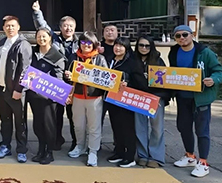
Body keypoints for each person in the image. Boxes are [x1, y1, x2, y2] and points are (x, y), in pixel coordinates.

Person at [169, 25, 222, 178]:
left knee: (202, 130)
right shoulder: (174, 52)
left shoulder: (204, 52)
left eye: (185, 35)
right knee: (183, 126)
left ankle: (203, 162)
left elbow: (218, 71)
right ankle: (190, 156)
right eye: (178, 36)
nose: (182, 38)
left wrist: (213, 80)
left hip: (201, 98)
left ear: (192, 35)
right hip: (182, 97)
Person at [32, 0, 78, 151]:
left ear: (74, 28)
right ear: (60, 27)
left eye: (71, 26)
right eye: (65, 26)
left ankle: (76, 142)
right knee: (56, 114)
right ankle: (56, 139)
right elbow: (42, 26)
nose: (68, 28)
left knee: (73, 115)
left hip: (74, 84)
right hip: (56, 82)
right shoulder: (55, 39)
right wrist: (37, 12)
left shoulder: (80, 42)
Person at [65, 31, 108, 167]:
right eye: (83, 42)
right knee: (78, 125)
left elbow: (107, 78)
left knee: (94, 126)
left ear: (94, 44)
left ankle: (93, 151)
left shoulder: (100, 59)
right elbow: (67, 74)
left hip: (94, 97)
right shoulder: (73, 57)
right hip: (77, 96)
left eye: (89, 42)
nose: (86, 45)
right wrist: (68, 75)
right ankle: (80, 146)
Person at [0, 15, 33, 163]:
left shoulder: (23, 44)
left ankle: (21, 150)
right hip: (3, 89)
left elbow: (26, 69)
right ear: (3, 28)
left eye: (12, 25)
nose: (10, 28)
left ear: (18, 27)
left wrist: (19, 89)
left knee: (20, 122)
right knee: (5, 121)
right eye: (7, 26)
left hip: (16, 91)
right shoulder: (2, 43)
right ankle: (5, 146)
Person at [26, 28, 66, 165]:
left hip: (49, 98)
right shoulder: (33, 53)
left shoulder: (57, 56)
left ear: (50, 38)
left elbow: (59, 79)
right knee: (37, 125)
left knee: (49, 125)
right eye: (39, 36)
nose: (41, 39)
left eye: (44, 36)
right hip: (34, 96)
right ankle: (41, 149)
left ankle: (49, 152)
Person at [106, 37, 147, 168]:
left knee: (127, 128)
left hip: (125, 100)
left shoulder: (132, 62)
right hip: (112, 99)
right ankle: (119, 152)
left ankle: (129, 157)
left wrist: (128, 83)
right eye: (116, 45)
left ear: (126, 48)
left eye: (121, 46)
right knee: (116, 126)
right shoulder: (110, 60)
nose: (117, 48)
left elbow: (141, 82)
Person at [134, 35, 169, 168]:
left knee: (157, 128)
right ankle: (142, 155)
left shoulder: (158, 61)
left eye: (147, 46)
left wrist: (161, 97)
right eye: (141, 45)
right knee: (140, 128)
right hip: (138, 98)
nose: (144, 48)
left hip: (156, 98)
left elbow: (165, 81)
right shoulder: (133, 60)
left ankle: (156, 157)